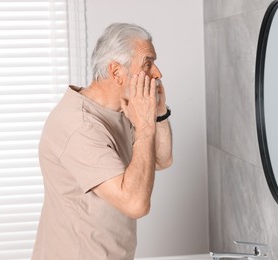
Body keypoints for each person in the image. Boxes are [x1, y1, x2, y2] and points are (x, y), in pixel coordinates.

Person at [32, 23, 173, 260]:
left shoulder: (123, 109)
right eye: (148, 64)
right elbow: (135, 204)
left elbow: (163, 159)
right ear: (117, 72)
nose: (157, 74)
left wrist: (158, 114)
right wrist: (146, 127)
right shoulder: (79, 126)